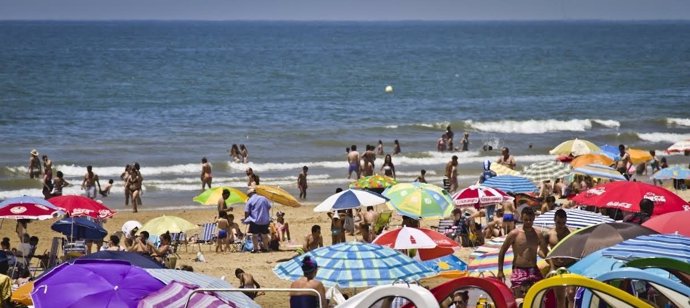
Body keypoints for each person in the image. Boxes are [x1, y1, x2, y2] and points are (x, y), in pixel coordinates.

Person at [498, 207, 548, 298]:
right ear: (521, 218)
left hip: (533, 269)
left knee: (538, 297)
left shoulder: (538, 234)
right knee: (519, 299)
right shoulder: (514, 234)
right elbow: (502, 251)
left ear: (534, 219)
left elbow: (545, 252)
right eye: (526, 220)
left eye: (530, 220)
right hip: (519, 269)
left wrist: (552, 266)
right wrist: (500, 271)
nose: (528, 222)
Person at [546, 209, 572, 308]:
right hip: (557, 267)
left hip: (570, 266)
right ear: (554, 220)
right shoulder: (549, 234)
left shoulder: (571, 233)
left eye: (563, 223)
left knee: (571, 294)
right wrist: (551, 265)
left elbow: (579, 248)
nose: (561, 225)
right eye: (558, 223)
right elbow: (543, 251)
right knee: (560, 297)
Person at [243, 189, 271, 253]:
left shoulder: (250, 200)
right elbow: (269, 207)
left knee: (254, 235)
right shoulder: (264, 198)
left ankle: (255, 248)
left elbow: (246, 211)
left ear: (249, 194)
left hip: (255, 220)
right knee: (264, 235)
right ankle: (266, 248)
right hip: (265, 220)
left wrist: (246, 219)